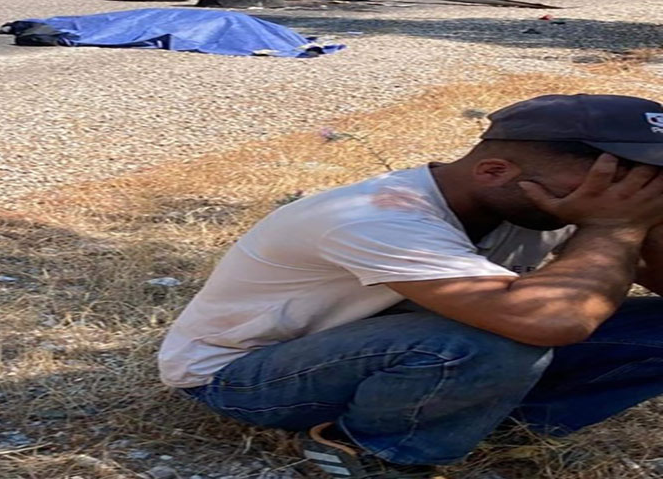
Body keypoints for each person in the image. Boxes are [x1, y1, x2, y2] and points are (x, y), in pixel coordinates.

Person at [160, 93, 663, 479]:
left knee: (497, 339)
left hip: (402, 349)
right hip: (243, 375)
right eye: (611, 184)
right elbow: (551, 319)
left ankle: (487, 423)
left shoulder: (561, 200)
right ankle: (377, 449)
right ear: (494, 171)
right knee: (493, 342)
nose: (624, 198)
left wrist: (645, 225)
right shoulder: (377, 216)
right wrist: (612, 228)